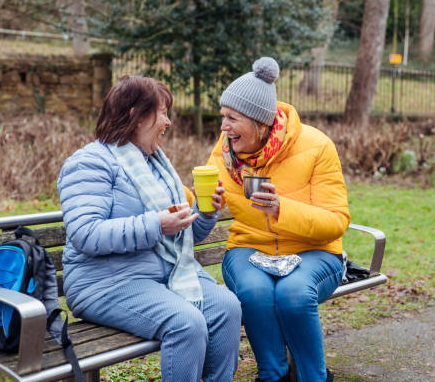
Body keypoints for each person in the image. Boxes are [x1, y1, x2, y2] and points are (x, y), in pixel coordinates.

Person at [57, 75, 242, 382]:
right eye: (162, 112)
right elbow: (86, 234)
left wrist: (205, 211)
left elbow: (181, 237)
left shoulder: (155, 165)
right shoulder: (89, 163)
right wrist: (156, 224)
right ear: (135, 114)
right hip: (105, 282)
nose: (168, 122)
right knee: (186, 323)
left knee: (227, 308)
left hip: (161, 273)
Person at [207, 57, 350, 382]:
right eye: (222, 117)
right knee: (254, 292)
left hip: (315, 252)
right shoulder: (225, 151)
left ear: (260, 123)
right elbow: (202, 195)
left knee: (294, 294)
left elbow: (336, 221)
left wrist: (280, 210)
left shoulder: (316, 146)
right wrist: (191, 199)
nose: (223, 127)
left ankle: (314, 377)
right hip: (249, 248)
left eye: (232, 118)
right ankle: (273, 376)